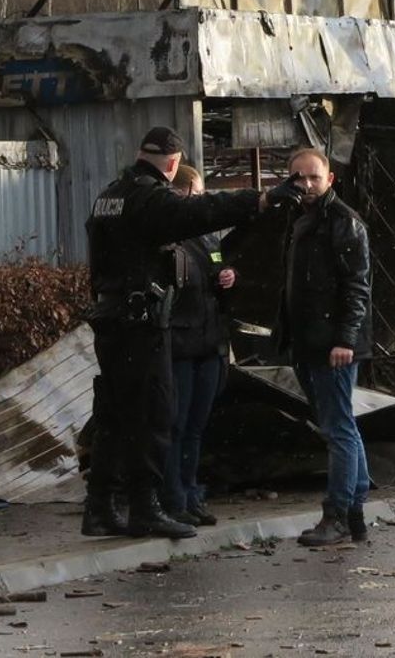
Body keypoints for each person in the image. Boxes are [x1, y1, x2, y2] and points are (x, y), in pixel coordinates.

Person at [84, 127, 299, 539]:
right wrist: (261, 199)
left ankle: (101, 507)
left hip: (112, 318)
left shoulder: (110, 194)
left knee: (114, 415)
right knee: (153, 414)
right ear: (173, 163)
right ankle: (146, 507)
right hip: (139, 323)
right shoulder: (149, 197)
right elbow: (201, 212)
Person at [276, 147, 374, 547]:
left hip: (332, 343)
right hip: (306, 340)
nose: (306, 184)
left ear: (329, 179)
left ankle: (337, 514)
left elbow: (357, 287)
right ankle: (354, 510)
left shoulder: (344, 223)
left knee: (338, 428)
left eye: (314, 177)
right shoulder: (296, 218)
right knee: (339, 425)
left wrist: (344, 340)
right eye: (299, 177)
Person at [163, 165, 235, 527]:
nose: (200, 201)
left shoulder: (210, 238)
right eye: (196, 194)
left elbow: (220, 265)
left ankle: (191, 494)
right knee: (176, 424)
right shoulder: (167, 237)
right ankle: (173, 497)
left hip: (210, 342)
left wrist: (228, 275)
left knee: (196, 425)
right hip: (180, 343)